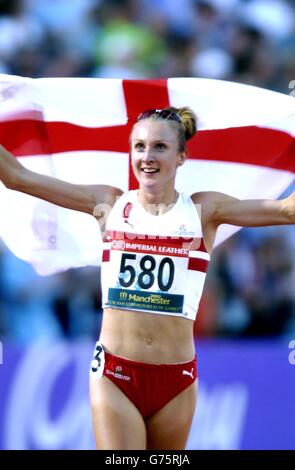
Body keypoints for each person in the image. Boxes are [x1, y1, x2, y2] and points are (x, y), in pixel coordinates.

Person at [0, 107, 294, 450]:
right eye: (139, 147)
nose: (147, 156)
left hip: (176, 380)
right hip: (116, 374)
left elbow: (287, 211)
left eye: (159, 147)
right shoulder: (108, 204)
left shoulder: (204, 211)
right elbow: (16, 177)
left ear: (181, 157)